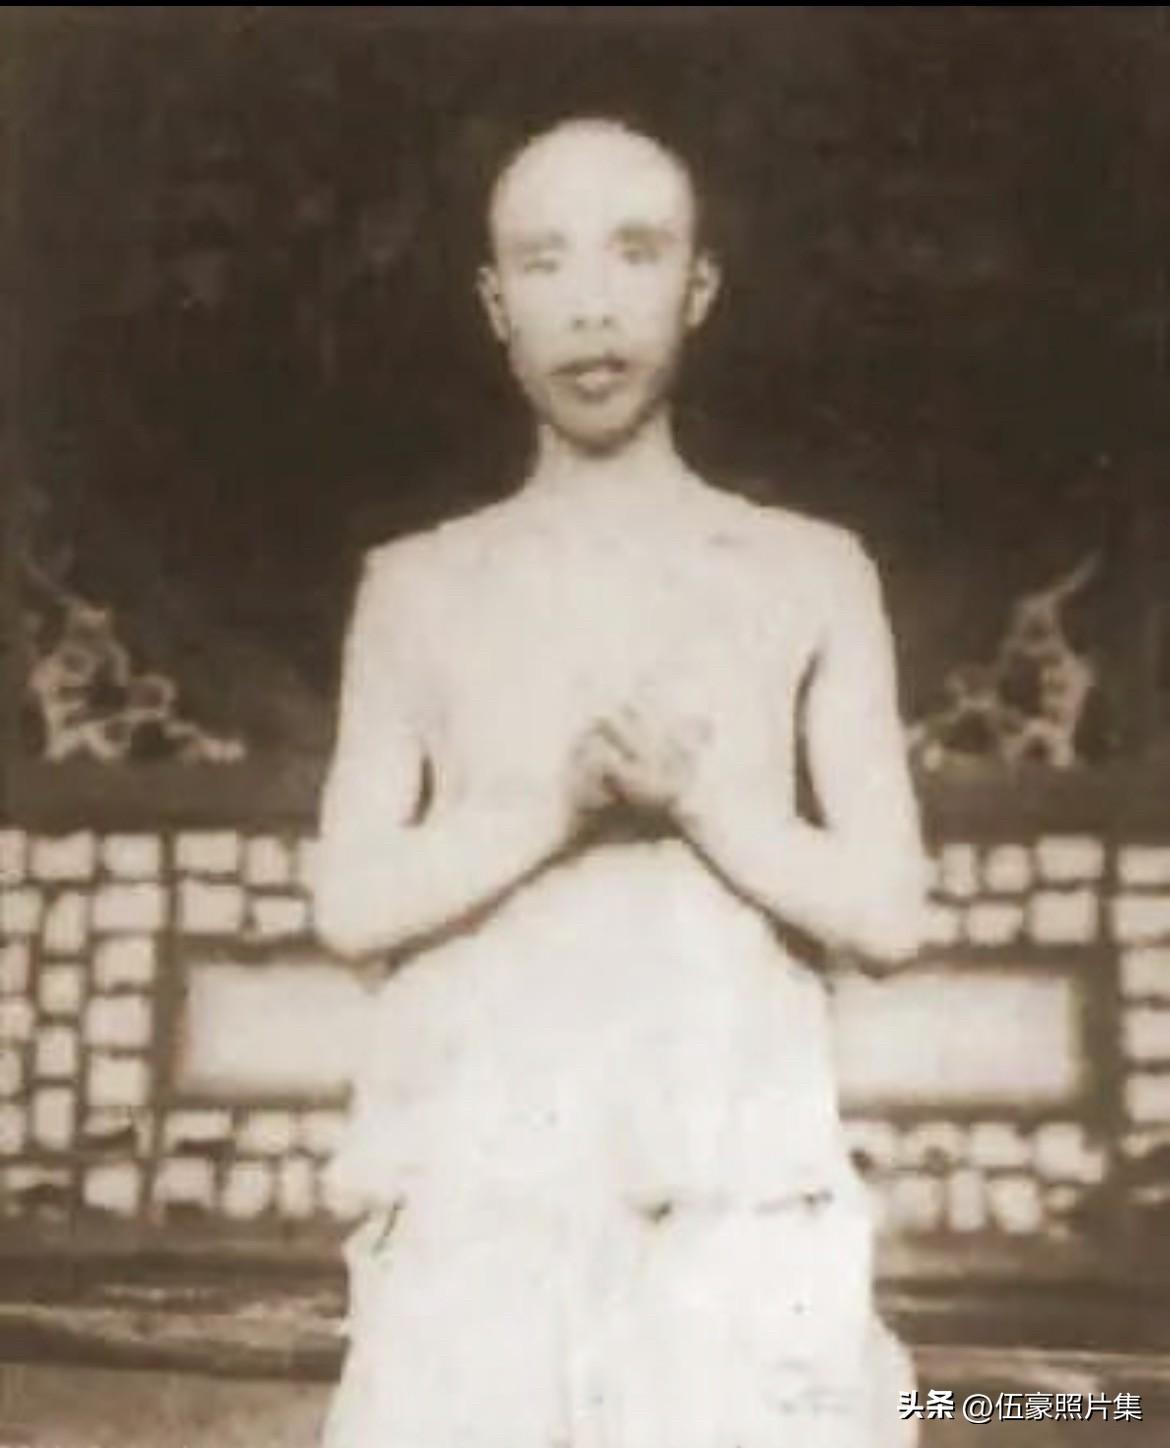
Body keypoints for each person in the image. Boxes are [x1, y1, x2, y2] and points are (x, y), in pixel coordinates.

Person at [313, 113, 929, 1448]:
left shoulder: (809, 571)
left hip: (733, 1221)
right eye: (544, 262)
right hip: (482, 1216)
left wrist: (706, 805)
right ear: (496, 304)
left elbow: (890, 913)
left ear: (698, 286)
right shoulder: (418, 586)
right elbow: (350, 904)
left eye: (635, 253)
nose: (590, 305)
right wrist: (553, 807)